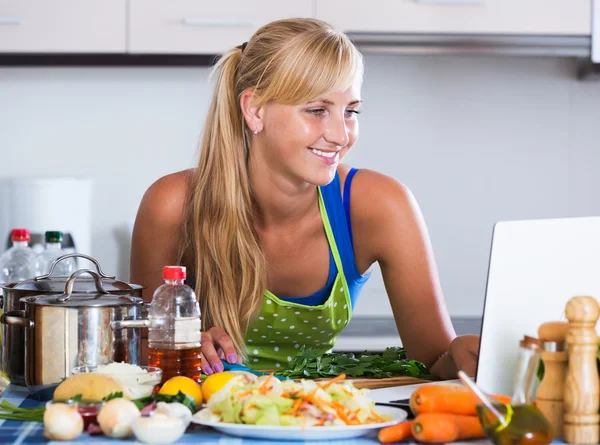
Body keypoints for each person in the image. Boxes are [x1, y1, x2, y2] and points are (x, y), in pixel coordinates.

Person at [130, 17, 479, 380]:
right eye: (317, 110)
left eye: (351, 111)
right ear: (254, 110)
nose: (341, 135)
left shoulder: (381, 205)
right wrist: (178, 349)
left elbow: (433, 364)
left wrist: (460, 355)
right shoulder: (172, 205)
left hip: (320, 420)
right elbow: (136, 358)